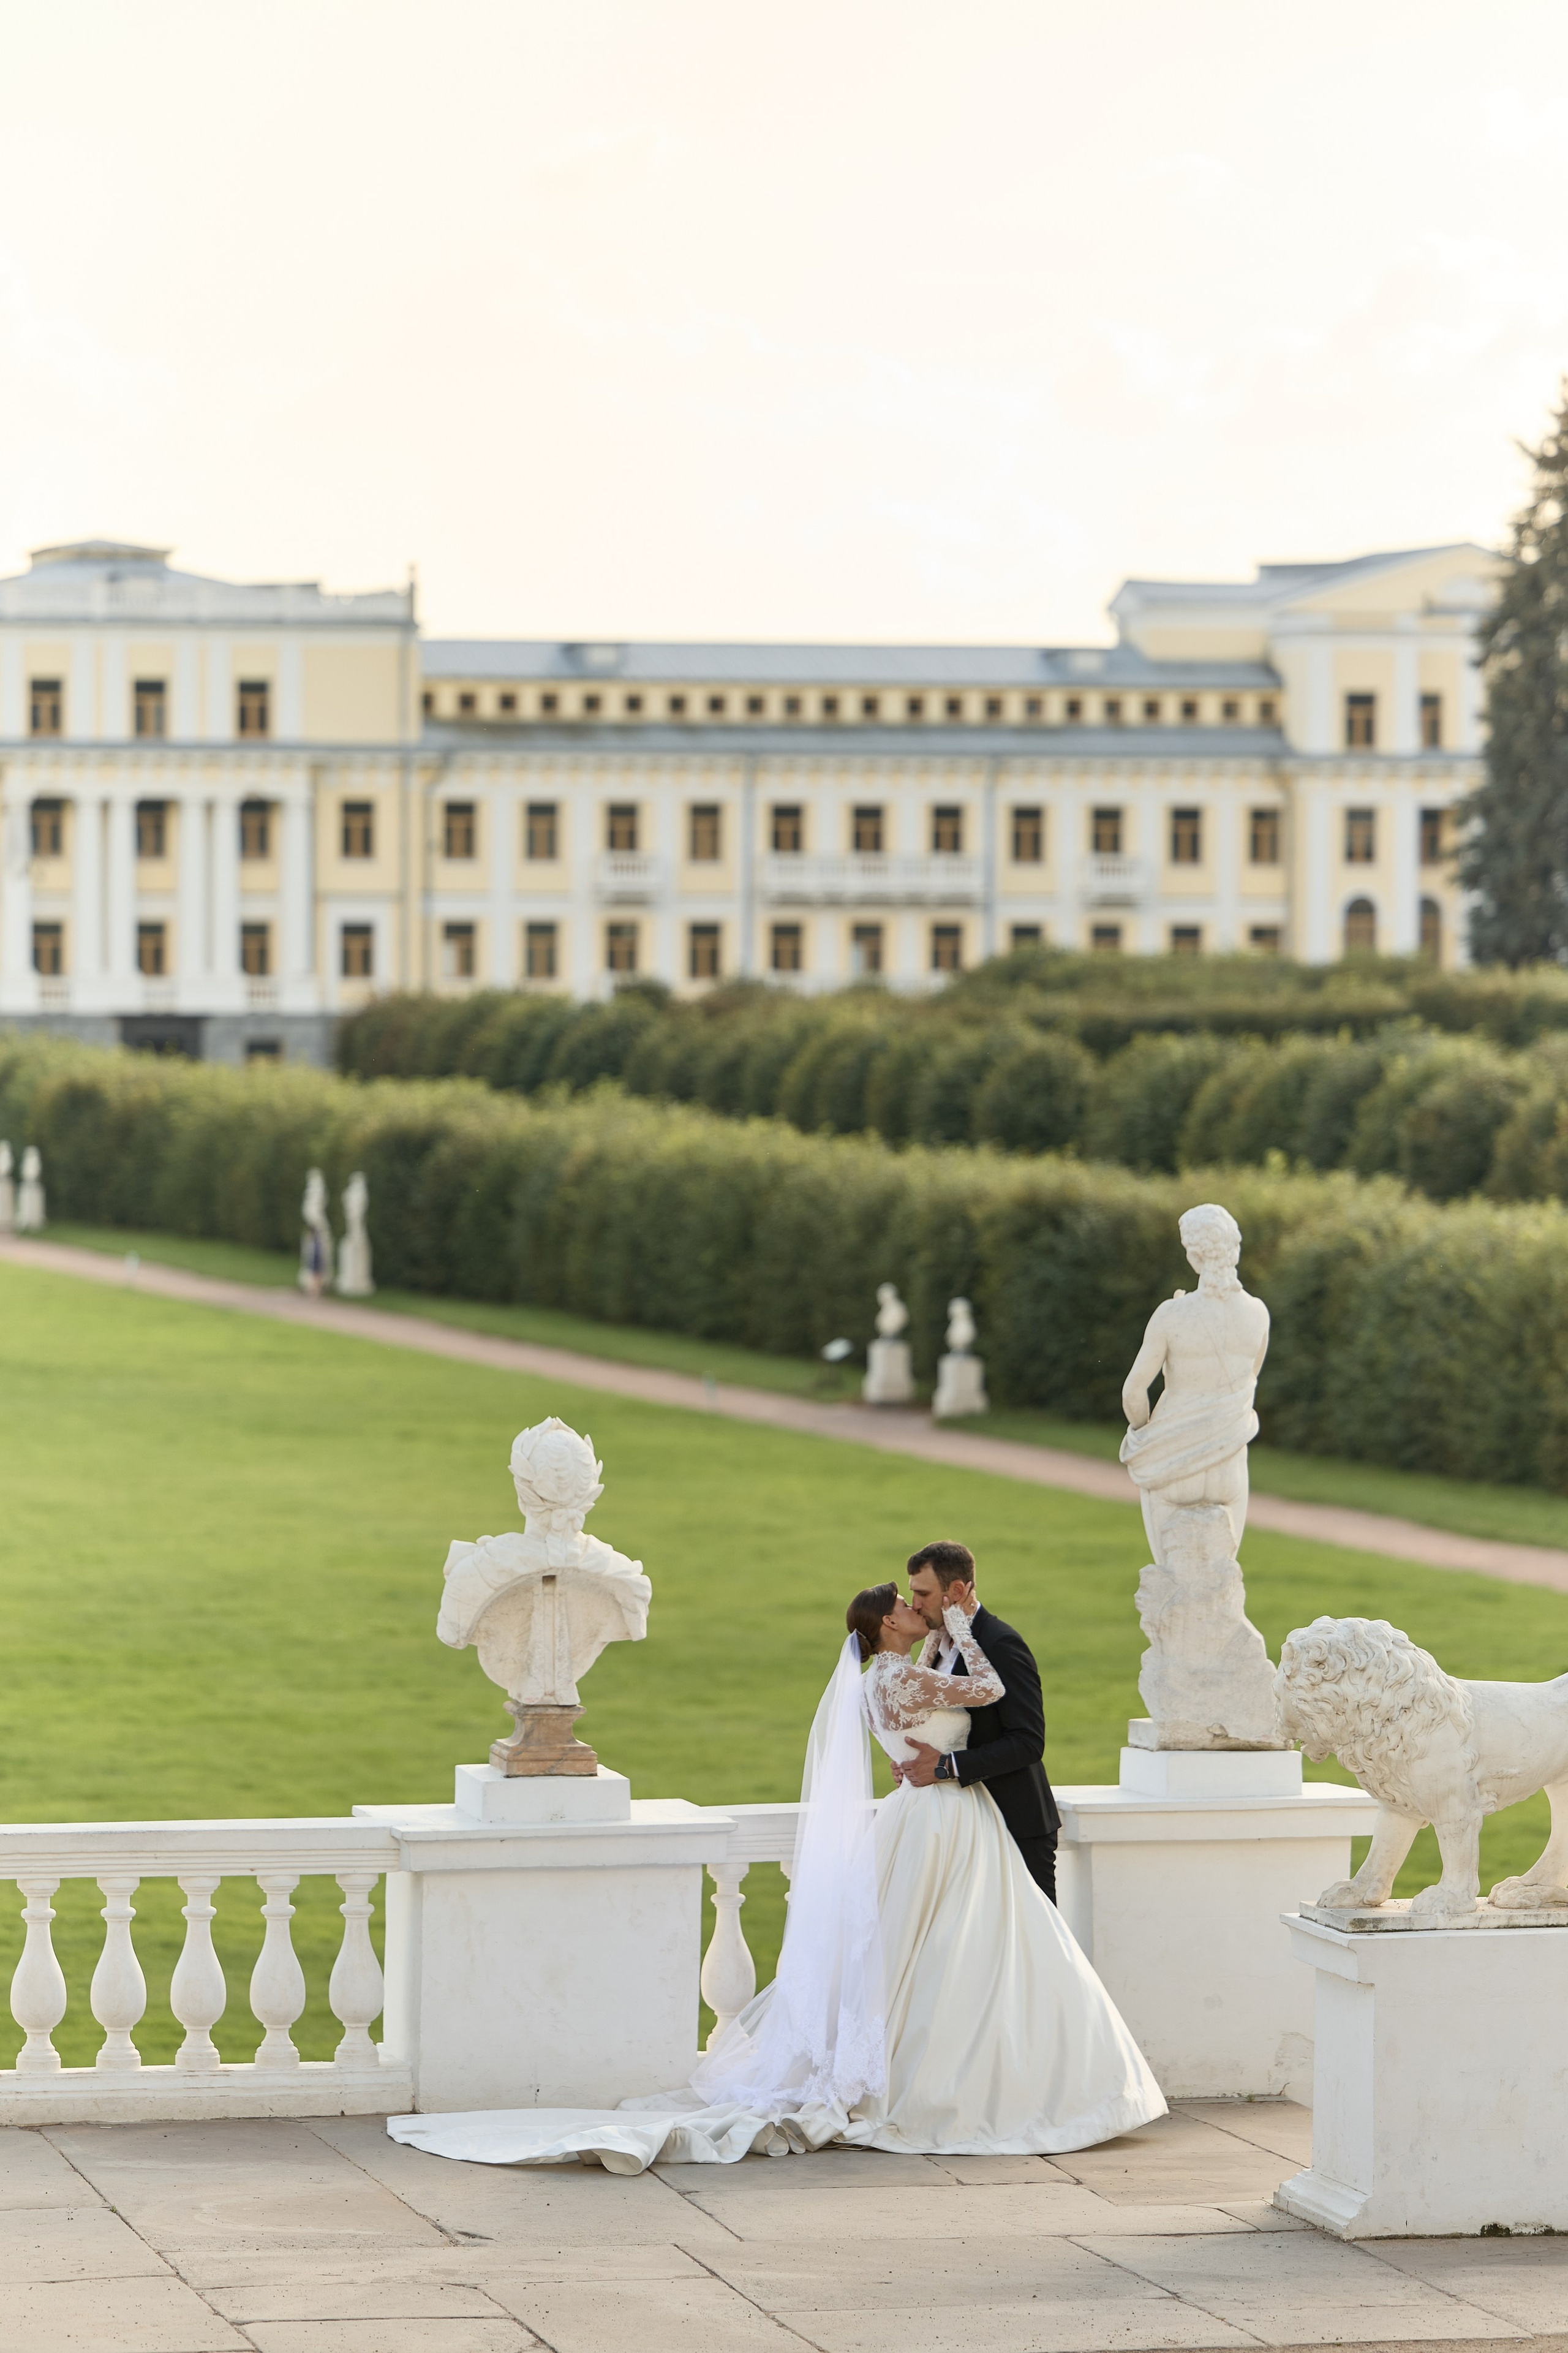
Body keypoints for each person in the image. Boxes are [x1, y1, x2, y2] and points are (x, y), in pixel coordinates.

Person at [388, 1568, 1164, 2172]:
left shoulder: (887, 1673)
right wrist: (960, 1620)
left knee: (935, 1950)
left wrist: (944, 1648)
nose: (916, 1608)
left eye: (920, 1597)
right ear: (885, 1623)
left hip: (941, 1817)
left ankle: (968, 2072)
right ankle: (973, 2085)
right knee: (947, 1950)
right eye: (906, 1603)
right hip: (941, 1820)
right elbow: (986, 1691)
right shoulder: (896, 1674)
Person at [899, 1539, 1060, 1903]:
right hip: (959, 1829)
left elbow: (1028, 1741)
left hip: (1013, 1823)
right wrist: (911, 1765)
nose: (915, 1604)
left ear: (955, 1591)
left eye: (923, 1593)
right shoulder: (934, 1649)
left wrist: (945, 1767)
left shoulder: (1000, 1643)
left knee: (1029, 1951)